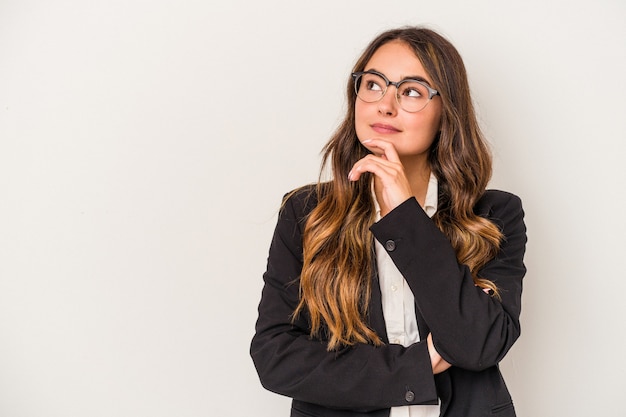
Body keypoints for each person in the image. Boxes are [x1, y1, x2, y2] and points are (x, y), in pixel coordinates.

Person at [250, 26, 527, 417]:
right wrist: (415, 368)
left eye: (412, 91)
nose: (386, 104)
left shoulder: (494, 215)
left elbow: (479, 343)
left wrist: (403, 218)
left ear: (447, 111)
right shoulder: (306, 212)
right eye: (374, 85)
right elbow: (275, 356)